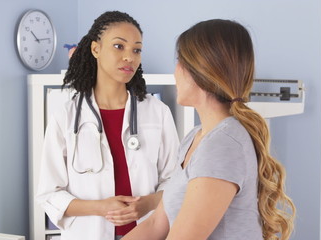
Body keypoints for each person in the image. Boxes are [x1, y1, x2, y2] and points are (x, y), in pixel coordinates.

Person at [121, 19, 296, 240]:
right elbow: (157, 224)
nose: (175, 71)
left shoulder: (223, 144)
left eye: (179, 61)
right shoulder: (195, 137)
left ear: (200, 71)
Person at [36, 11, 179, 240]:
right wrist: (101, 207)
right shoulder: (65, 116)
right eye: (119, 46)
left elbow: (176, 181)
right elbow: (49, 194)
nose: (129, 57)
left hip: (146, 232)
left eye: (136, 49)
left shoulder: (157, 112)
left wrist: (147, 204)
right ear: (96, 49)